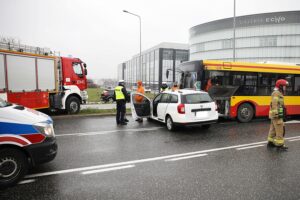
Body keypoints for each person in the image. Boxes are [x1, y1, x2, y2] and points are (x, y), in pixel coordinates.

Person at [267, 79, 289, 150]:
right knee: (280, 130)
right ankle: (280, 145)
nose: (285, 88)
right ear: (280, 86)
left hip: (276, 114)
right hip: (277, 115)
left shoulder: (277, 92)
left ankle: (270, 142)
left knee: (273, 129)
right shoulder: (276, 93)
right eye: (284, 86)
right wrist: (277, 114)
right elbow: (274, 104)